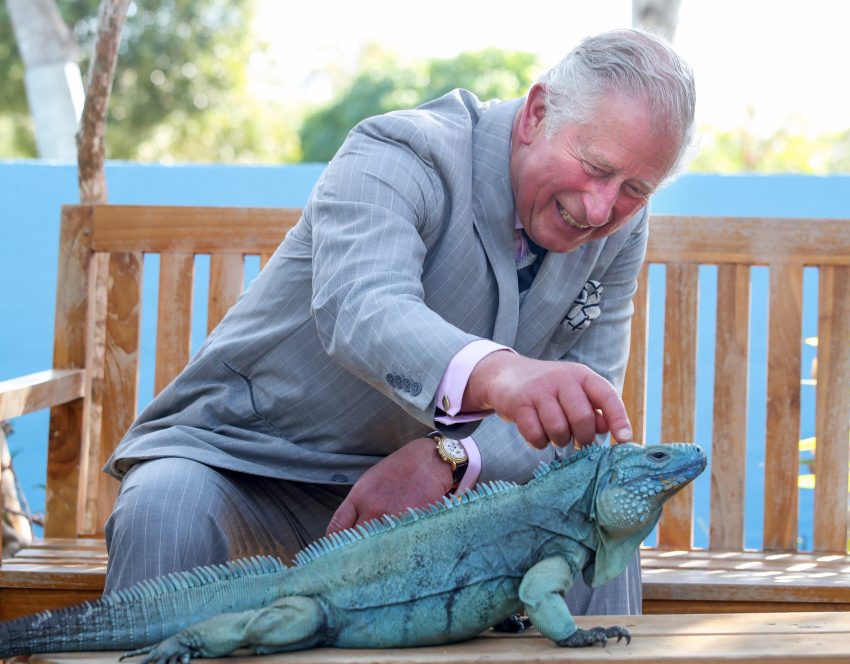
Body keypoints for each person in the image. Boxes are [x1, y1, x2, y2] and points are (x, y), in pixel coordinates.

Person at [103, 27, 696, 617]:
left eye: (633, 189)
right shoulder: (399, 150)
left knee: (590, 529)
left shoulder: (621, 228)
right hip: (248, 466)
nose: (600, 208)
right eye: (594, 167)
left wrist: (451, 460)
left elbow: (578, 413)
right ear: (536, 114)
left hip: (437, 504)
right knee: (164, 507)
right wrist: (501, 375)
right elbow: (361, 306)